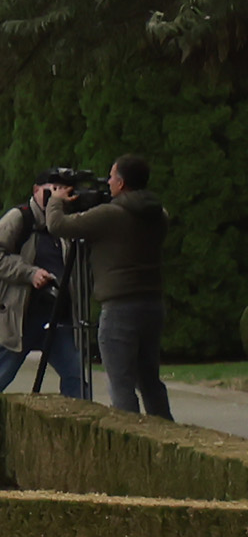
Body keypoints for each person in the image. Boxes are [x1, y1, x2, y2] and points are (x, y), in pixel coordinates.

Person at [49, 153, 173, 420]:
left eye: (112, 176)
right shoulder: (158, 214)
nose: (108, 181)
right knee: (150, 380)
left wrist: (56, 201)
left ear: (122, 182)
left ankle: (130, 438)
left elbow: (58, 225)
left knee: (121, 384)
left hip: (120, 307)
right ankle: (167, 435)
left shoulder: (110, 215)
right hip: (152, 304)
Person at [0, 167, 92, 399]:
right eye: (52, 192)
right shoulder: (20, 217)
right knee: (0, 377)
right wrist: (29, 273)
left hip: (57, 316)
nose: (57, 198)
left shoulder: (64, 222)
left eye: (63, 192)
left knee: (76, 376)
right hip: (21, 315)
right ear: (36, 190)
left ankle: (77, 424)